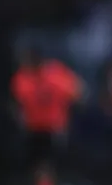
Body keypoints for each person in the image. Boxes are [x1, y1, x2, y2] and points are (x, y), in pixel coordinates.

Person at [11, 47, 82, 185]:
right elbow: (18, 104)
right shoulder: (21, 77)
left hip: (54, 130)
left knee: (50, 163)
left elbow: (79, 93)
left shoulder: (56, 74)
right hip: (32, 130)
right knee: (36, 163)